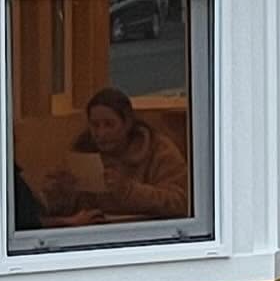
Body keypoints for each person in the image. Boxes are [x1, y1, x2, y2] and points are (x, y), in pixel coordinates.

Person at [45, 87, 189, 222]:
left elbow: (180, 201)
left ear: (127, 123)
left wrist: (128, 190)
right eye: (95, 125)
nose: (101, 133)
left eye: (109, 124)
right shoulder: (82, 151)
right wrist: (61, 192)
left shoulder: (157, 150)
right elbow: (60, 210)